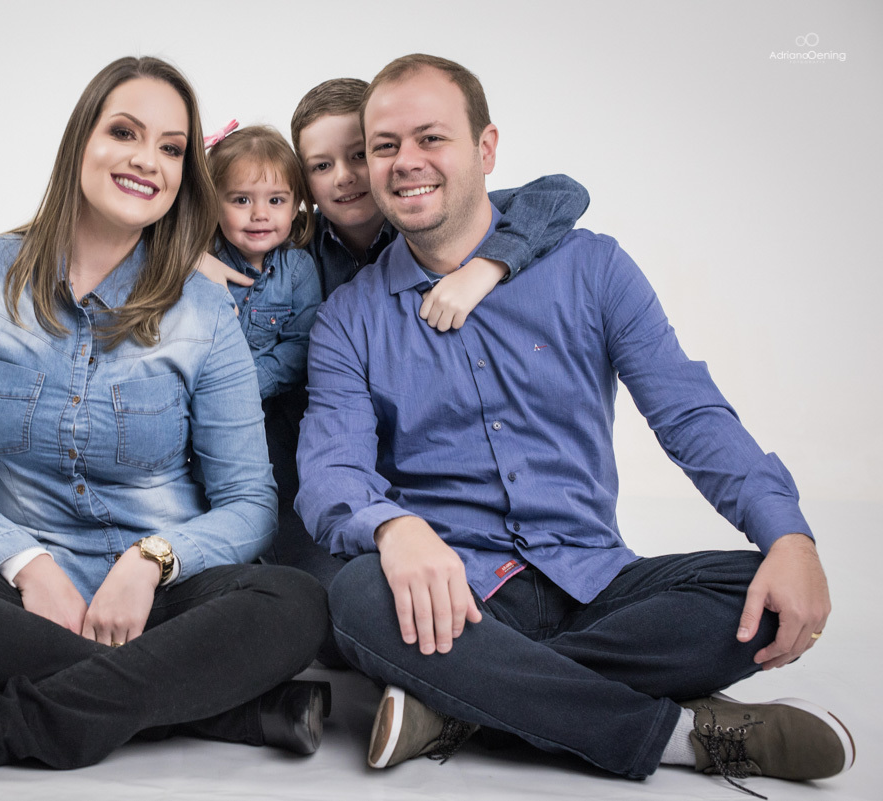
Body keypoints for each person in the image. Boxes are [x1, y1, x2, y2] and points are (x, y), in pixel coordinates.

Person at [297, 53, 854, 795]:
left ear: (485, 148)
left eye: (431, 138)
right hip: (459, 594)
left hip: (596, 577)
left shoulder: (592, 268)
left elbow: (687, 411)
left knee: (760, 585)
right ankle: (687, 737)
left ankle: (465, 701)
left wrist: (789, 535)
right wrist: (394, 529)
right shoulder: (348, 318)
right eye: (385, 146)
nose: (406, 163)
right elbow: (331, 470)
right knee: (359, 596)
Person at [0, 56, 332, 782]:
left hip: (166, 602)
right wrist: (27, 564)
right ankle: (222, 708)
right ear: (79, 142)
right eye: (124, 131)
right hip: (25, 605)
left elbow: (250, 502)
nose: (145, 159)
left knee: (294, 600)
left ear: (185, 175)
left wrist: (149, 561)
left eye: (170, 147)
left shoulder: (204, 309)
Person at [248, 78, 591, 656]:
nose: (346, 176)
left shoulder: (431, 219)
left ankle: (493, 676)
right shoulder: (290, 254)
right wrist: (193, 256)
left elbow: (562, 193)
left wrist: (488, 266)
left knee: (444, 601)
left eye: (361, 154)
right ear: (302, 181)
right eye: (321, 165)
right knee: (336, 617)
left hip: (422, 466)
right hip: (324, 462)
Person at [207, 124, 322, 401]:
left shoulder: (298, 270)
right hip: (197, 397)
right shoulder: (201, 260)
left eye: (275, 200)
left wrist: (243, 389)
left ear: (296, 207)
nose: (260, 214)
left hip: (262, 406)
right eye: (242, 200)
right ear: (213, 203)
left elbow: (300, 346)